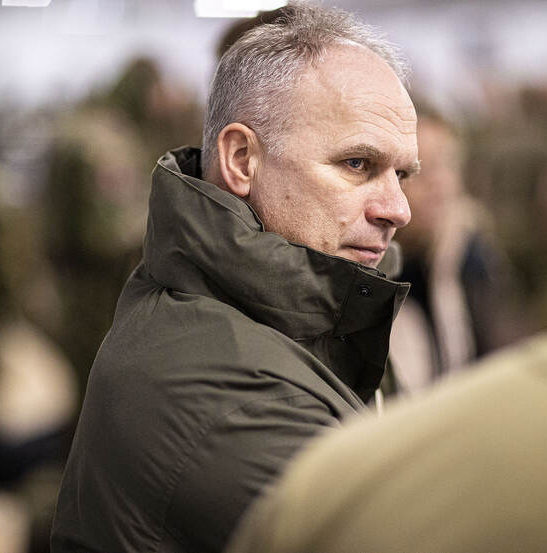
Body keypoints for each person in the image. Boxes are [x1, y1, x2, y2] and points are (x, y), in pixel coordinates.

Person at [224, 38, 547, 553]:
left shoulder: (468, 260)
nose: (410, 200)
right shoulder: (324, 307)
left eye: (411, 173)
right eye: (361, 165)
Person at [50, 3, 419, 552]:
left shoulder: (318, 317)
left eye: (402, 173)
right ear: (242, 160)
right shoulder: (227, 394)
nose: (398, 208)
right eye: (358, 165)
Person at [390, 107, 521, 392]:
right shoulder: (370, 278)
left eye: (448, 165)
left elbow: (499, 362)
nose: (439, 183)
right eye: (419, 168)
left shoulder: (473, 257)